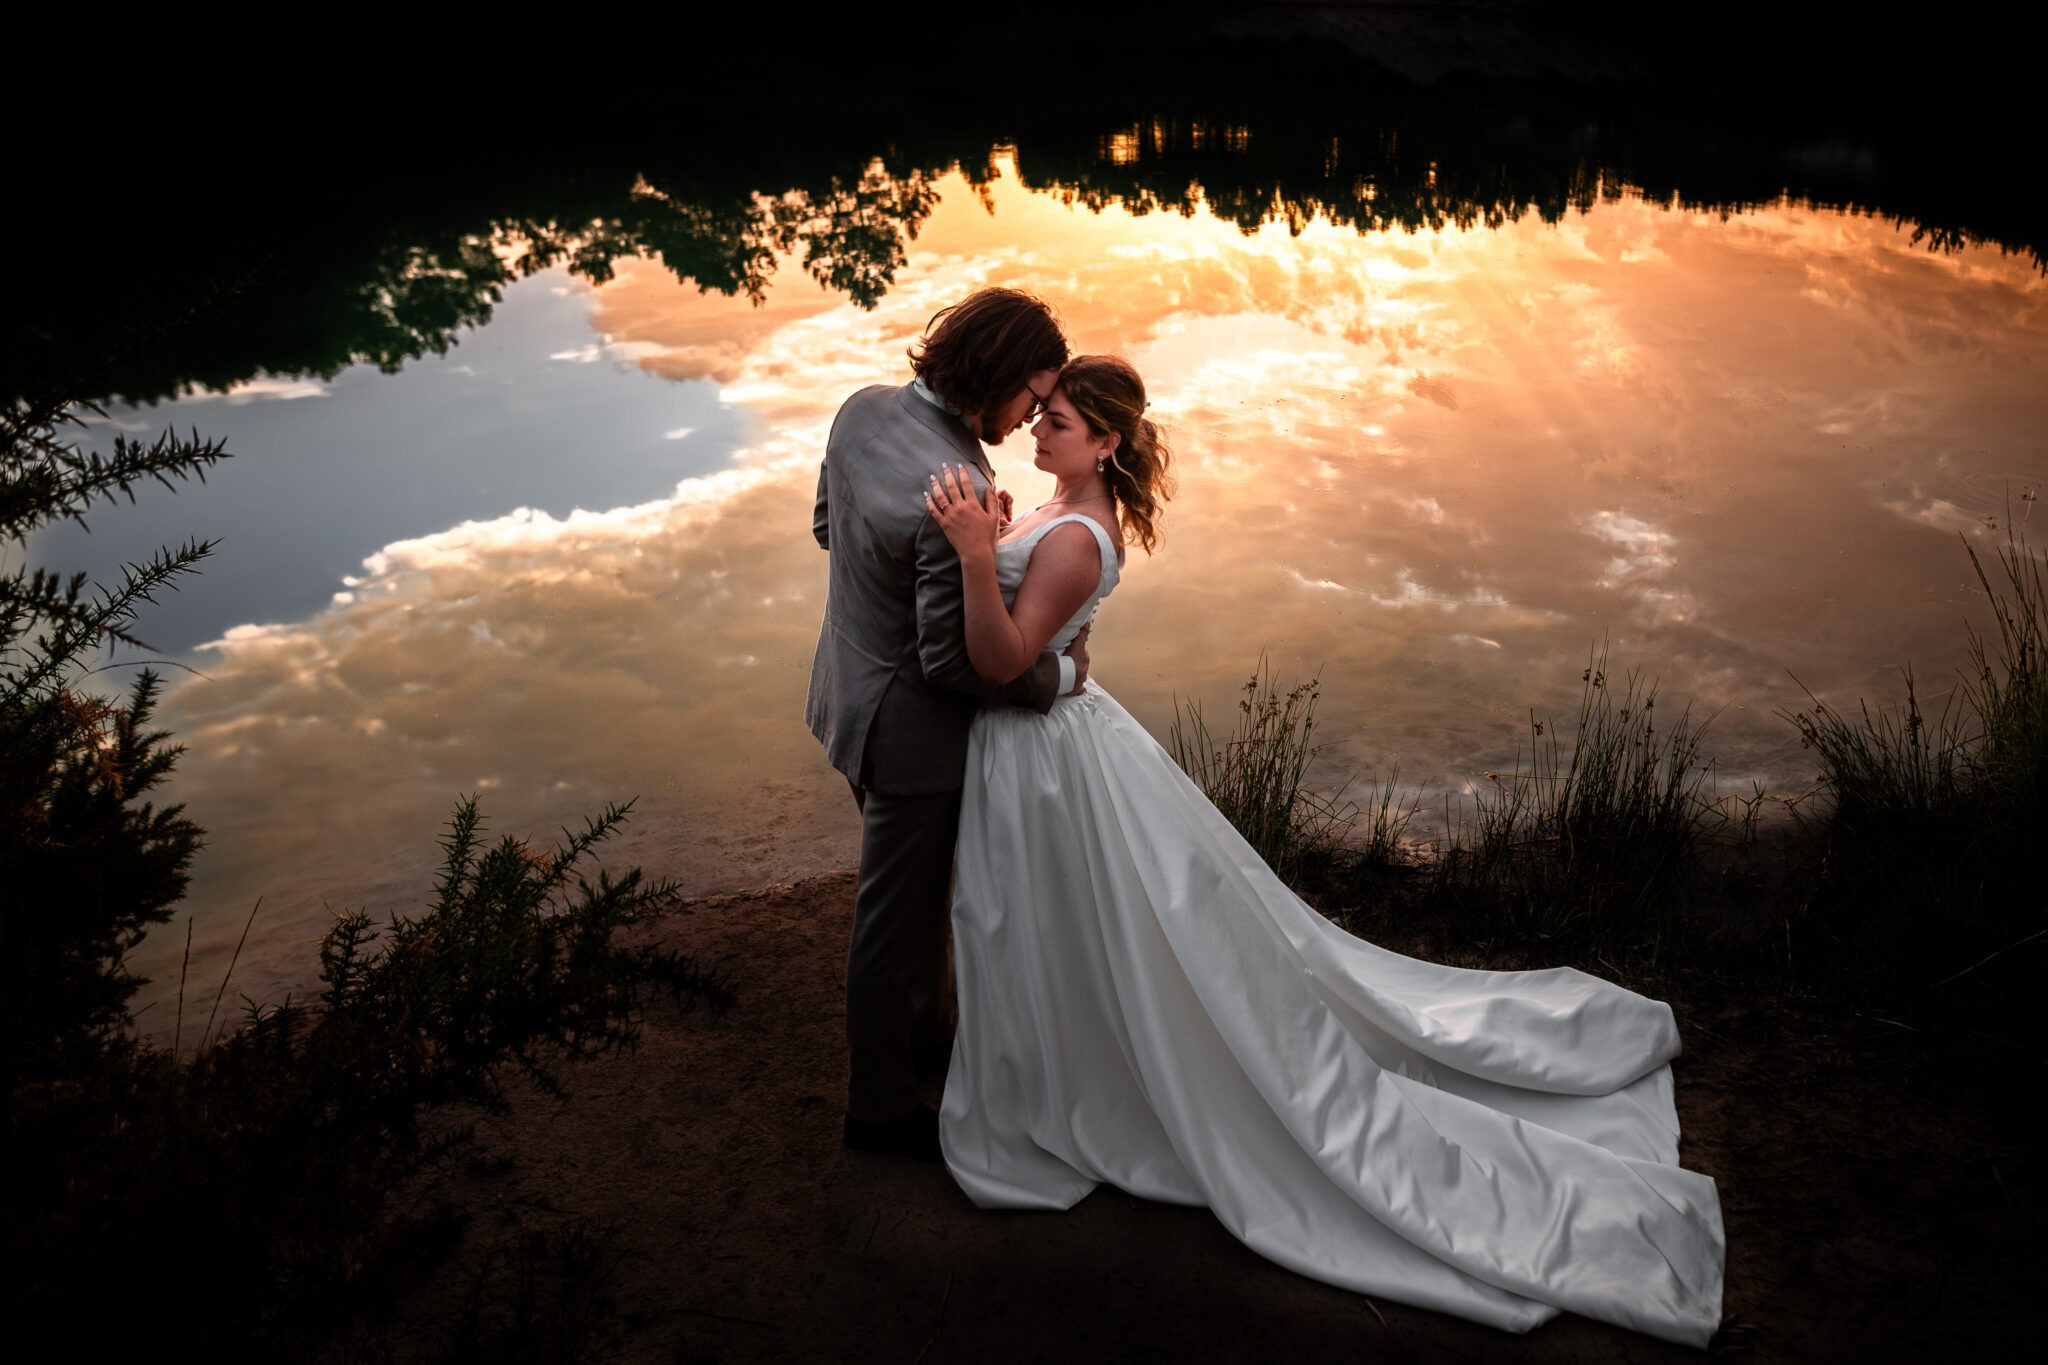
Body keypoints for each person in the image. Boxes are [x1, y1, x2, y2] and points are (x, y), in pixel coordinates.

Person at [920, 355, 1727, 1347]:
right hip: (1044, 749)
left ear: (1107, 442)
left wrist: (975, 555)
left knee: (1060, 918)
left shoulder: (1083, 538)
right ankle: (1060, 1060)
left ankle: (1074, 1087)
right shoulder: (1056, 509)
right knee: (1062, 923)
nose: (1037, 430)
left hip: (1043, 758)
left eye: (1057, 422)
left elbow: (1003, 656)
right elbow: (1042, 640)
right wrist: (1004, 534)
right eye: (1041, 414)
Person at [806, 286, 1085, 1163]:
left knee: (915, 901)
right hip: (910, 738)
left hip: (844, 693)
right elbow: (954, 664)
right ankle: (879, 1108)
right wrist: (1054, 675)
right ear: (997, 373)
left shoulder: (861, 411)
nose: (1031, 416)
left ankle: (928, 1037)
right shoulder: (956, 483)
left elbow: (827, 528)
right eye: (1032, 396)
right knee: (894, 921)